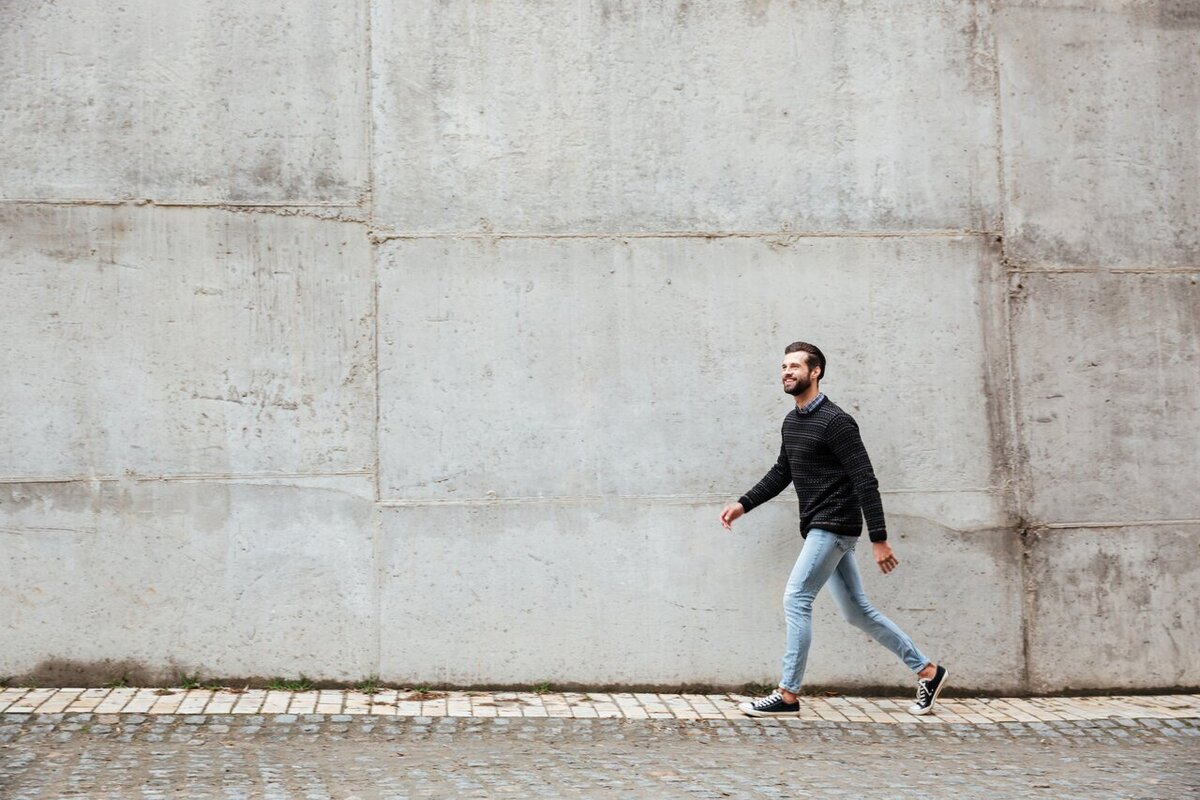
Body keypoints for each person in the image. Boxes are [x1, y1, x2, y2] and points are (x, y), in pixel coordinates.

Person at [720, 341, 948, 717]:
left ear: (816, 372)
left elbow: (865, 479)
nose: (787, 372)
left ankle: (788, 695)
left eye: (795, 366)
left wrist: (879, 538)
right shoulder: (792, 422)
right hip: (820, 527)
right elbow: (783, 472)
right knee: (857, 611)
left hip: (834, 524)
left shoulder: (836, 421)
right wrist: (743, 504)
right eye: (783, 366)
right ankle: (928, 670)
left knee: (796, 599)